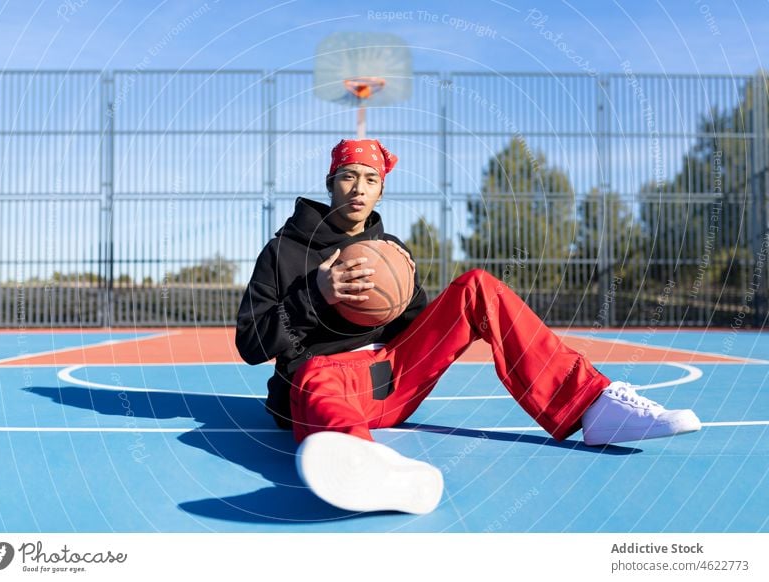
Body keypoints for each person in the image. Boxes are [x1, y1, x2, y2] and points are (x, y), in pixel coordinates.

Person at [236, 139, 701, 515]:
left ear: (381, 190)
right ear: (330, 183)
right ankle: (365, 465)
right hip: (324, 383)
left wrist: (403, 299)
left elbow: (416, 330)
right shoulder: (284, 251)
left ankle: (590, 405)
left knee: (478, 285)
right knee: (315, 373)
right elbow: (250, 343)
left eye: (371, 178)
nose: (359, 187)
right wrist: (317, 294)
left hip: (392, 376)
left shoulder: (389, 252)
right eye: (348, 176)